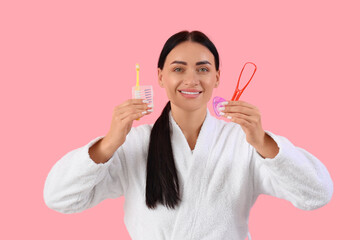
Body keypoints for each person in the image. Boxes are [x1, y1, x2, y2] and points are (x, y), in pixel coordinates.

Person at [43, 30, 333, 240]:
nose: (191, 79)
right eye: (178, 68)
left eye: (203, 69)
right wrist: (108, 145)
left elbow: (317, 193)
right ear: (160, 77)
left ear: (217, 77)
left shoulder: (243, 142)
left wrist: (263, 143)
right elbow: (58, 198)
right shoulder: (135, 143)